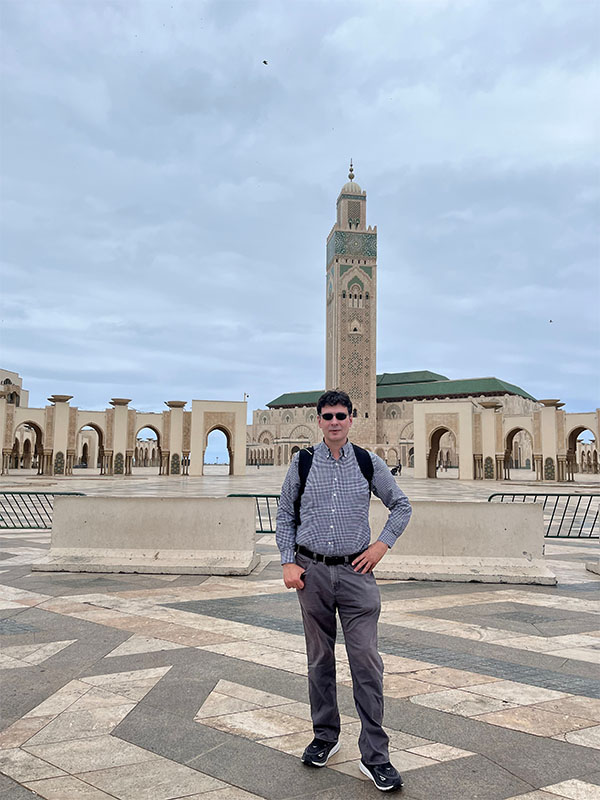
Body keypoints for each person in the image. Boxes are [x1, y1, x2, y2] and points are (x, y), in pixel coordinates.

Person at [276, 390, 412, 792]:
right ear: (318, 421)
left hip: (356, 574)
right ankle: (325, 737)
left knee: (366, 663)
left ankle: (375, 756)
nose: (334, 422)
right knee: (319, 660)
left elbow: (401, 506)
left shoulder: (369, 462)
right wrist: (288, 560)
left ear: (352, 419)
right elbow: (284, 512)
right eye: (328, 416)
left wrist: (380, 545)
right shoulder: (301, 463)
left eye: (341, 415)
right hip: (312, 574)